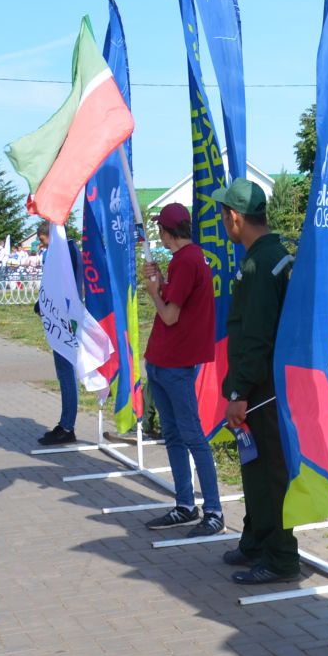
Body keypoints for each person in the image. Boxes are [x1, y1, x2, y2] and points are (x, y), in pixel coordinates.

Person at [215, 177, 299, 585]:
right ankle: (256, 539)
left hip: (261, 391)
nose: (221, 222)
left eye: (222, 215)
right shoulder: (270, 255)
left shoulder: (259, 264)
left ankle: (281, 556)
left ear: (235, 218)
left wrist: (238, 392)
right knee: (254, 469)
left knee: (270, 474)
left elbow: (256, 336)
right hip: (263, 387)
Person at [139, 203, 225, 537]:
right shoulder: (185, 260)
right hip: (163, 361)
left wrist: (152, 294)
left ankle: (213, 510)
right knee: (175, 435)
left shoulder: (188, 260)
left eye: (159, 227)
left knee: (191, 436)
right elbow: (177, 304)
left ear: (167, 231)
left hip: (174, 363)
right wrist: (160, 283)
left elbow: (170, 315)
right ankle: (185, 504)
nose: (158, 232)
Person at [38, 220, 87, 447]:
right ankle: (66, 423)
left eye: (42, 240)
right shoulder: (61, 250)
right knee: (64, 372)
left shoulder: (67, 250)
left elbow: (70, 285)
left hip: (66, 318)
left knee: (67, 372)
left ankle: (67, 426)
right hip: (59, 316)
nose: (42, 245)